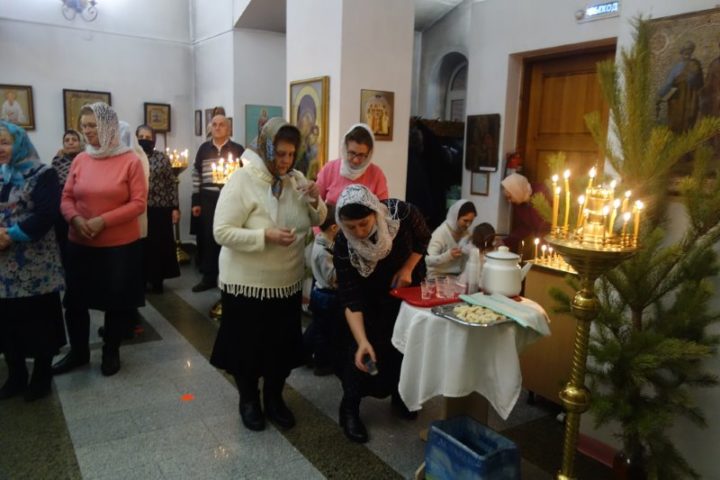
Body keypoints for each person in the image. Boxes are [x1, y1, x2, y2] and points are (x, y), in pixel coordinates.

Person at [210, 118, 327, 432]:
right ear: (265, 149)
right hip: (246, 285)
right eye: (280, 154)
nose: (286, 161)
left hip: (285, 283)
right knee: (247, 348)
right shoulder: (243, 180)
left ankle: (274, 397)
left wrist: (315, 198)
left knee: (280, 348)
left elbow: (318, 218)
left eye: (291, 154)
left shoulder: (295, 179)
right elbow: (221, 231)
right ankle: (249, 399)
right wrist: (265, 236)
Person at [52, 102, 147, 377]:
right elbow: (66, 197)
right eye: (84, 126)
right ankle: (79, 352)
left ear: (109, 126)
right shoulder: (81, 159)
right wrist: (75, 219)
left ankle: (110, 351)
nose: (87, 131)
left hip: (118, 246)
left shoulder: (129, 160)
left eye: (93, 125)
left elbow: (138, 203)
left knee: (115, 302)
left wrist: (102, 220)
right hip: (80, 242)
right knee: (75, 301)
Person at [333, 184, 430, 443]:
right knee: (362, 352)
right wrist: (362, 340)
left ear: (375, 212)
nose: (359, 232)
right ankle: (349, 409)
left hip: (403, 290)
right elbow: (350, 297)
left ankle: (401, 395)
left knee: (403, 347)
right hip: (368, 299)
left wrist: (408, 268)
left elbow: (423, 239)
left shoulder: (402, 214)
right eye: (351, 227)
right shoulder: (343, 244)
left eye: (364, 224)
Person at [0, 121, 66, 401]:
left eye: (5, 142)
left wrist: (10, 235)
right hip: (3, 269)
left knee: (38, 323)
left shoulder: (42, 173)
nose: (0, 148)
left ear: (20, 143)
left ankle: (41, 377)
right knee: (6, 323)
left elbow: (47, 214)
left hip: (35, 265)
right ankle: (16, 376)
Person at [190, 114, 244, 292]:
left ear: (229, 129)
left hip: (231, 198)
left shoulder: (238, 149)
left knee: (229, 235)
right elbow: (196, 175)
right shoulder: (204, 149)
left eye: (222, 125)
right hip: (208, 199)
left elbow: (245, 175)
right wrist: (196, 201)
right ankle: (208, 276)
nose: (218, 127)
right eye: (214, 124)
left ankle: (229, 276)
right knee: (208, 236)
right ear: (210, 128)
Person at [136, 124, 180, 293]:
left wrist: (175, 207)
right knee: (142, 246)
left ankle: (157, 280)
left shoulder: (162, 158)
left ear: (154, 140)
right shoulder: (131, 157)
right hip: (139, 210)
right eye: (141, 137)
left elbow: (171, 184)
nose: (144, 140)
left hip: (160, 209)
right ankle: (140, 279)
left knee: (159, 246)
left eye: (148, 138)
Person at [303, 204, 339, 376]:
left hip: (320, 294)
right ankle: (322, 364)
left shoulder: (322, 242)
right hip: (326, 296)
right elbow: (332, 277)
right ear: (334, 227)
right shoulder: (324, 251)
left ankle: (303, 354)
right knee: (324, 332)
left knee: (317, 327)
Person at [315, 124, 389, 204]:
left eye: (361, 155)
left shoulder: (377, 175)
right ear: (345, 149)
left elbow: (384, 208)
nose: (355, 160)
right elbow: (315, 204)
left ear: (369, 154)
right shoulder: (329, 169)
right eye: (352, 153)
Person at [51, 129, 85, 258]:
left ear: (81, 143)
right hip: (61, 206)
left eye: (74, 140)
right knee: (63, 241)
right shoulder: (57, 160)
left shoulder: (87, 159)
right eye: (67, 140)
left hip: (81, 203)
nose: (70, 143)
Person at [657, 40, 703, 134]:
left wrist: (660, 95)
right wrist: (661, 94)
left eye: (689, 50)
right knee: (681, 124)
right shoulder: (690, 66)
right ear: (682, 52)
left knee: (683, 124)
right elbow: (669, 83)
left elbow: (669, 83)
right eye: (685, 51)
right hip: (682, 100)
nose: (687, 53)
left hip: (687, 99)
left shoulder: (692, 65)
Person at [424, 199, 477, 278]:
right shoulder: (441, 233)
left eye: (471, 221)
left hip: (456, 276)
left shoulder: (466, 233)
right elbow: (428, 260)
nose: (468, 225)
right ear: (455, 217)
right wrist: (448, 255)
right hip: (437, 277)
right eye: (465, 220)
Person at [501, 173, 549, 256]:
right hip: (540, 244)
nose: (509, 201)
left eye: (510, 197)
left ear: (517, 191)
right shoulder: (518, 203)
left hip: (552, 241)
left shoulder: (542, 193)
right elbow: (524, 227)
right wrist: (505, 242)